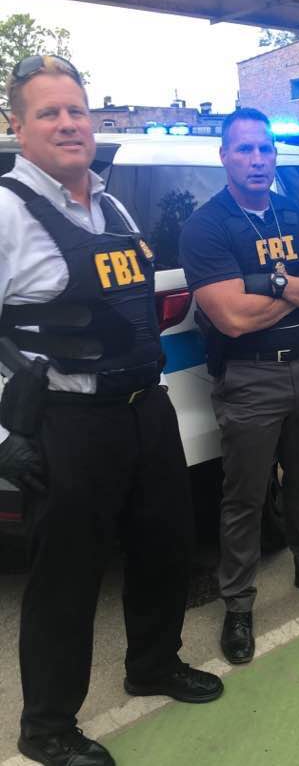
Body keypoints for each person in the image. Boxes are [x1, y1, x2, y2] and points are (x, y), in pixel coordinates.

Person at [0, 55, 223, 766]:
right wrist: (4, 436)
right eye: (49, 112)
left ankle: (153, 664)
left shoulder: (111, 205)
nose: (68, 124)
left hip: (144, 410)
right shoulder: (6, 212)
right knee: (66, 580)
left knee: (165, 546)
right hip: (69, 425)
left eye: (77, 110)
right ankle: (47, 728)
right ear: (18, 126)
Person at [179, 107, 299, 667]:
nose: (257, 159)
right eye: (244, 149)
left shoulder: (298, 212)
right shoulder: (207, 226)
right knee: (245, 497)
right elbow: (233, 318)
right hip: (249, 376)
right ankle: (238, 603)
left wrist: (273, 282)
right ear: (225, 157)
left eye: (264, 148)